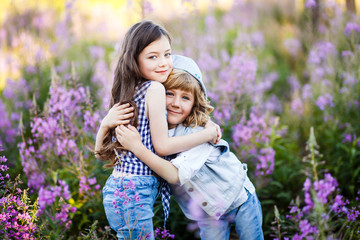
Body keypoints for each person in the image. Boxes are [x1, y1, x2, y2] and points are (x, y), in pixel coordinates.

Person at [116, 55, 264, 240]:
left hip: (240, 199)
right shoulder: (152, 130)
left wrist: (137, 147)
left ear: (195, 103)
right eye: (169, 93)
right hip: (208, 214)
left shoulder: (198, 134)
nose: (175, 103)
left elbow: (173, 175)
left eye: (185, 97)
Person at [94, 21, 220, 240]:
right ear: (134, 60)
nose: (163, 63)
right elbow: (162, 146)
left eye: (167, 54)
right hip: (134, 192)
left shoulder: (130, 91)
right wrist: (207, 135)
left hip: (118, 188)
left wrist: (105, 125)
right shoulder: (154, 89)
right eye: (152, 57)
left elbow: (99, 154)